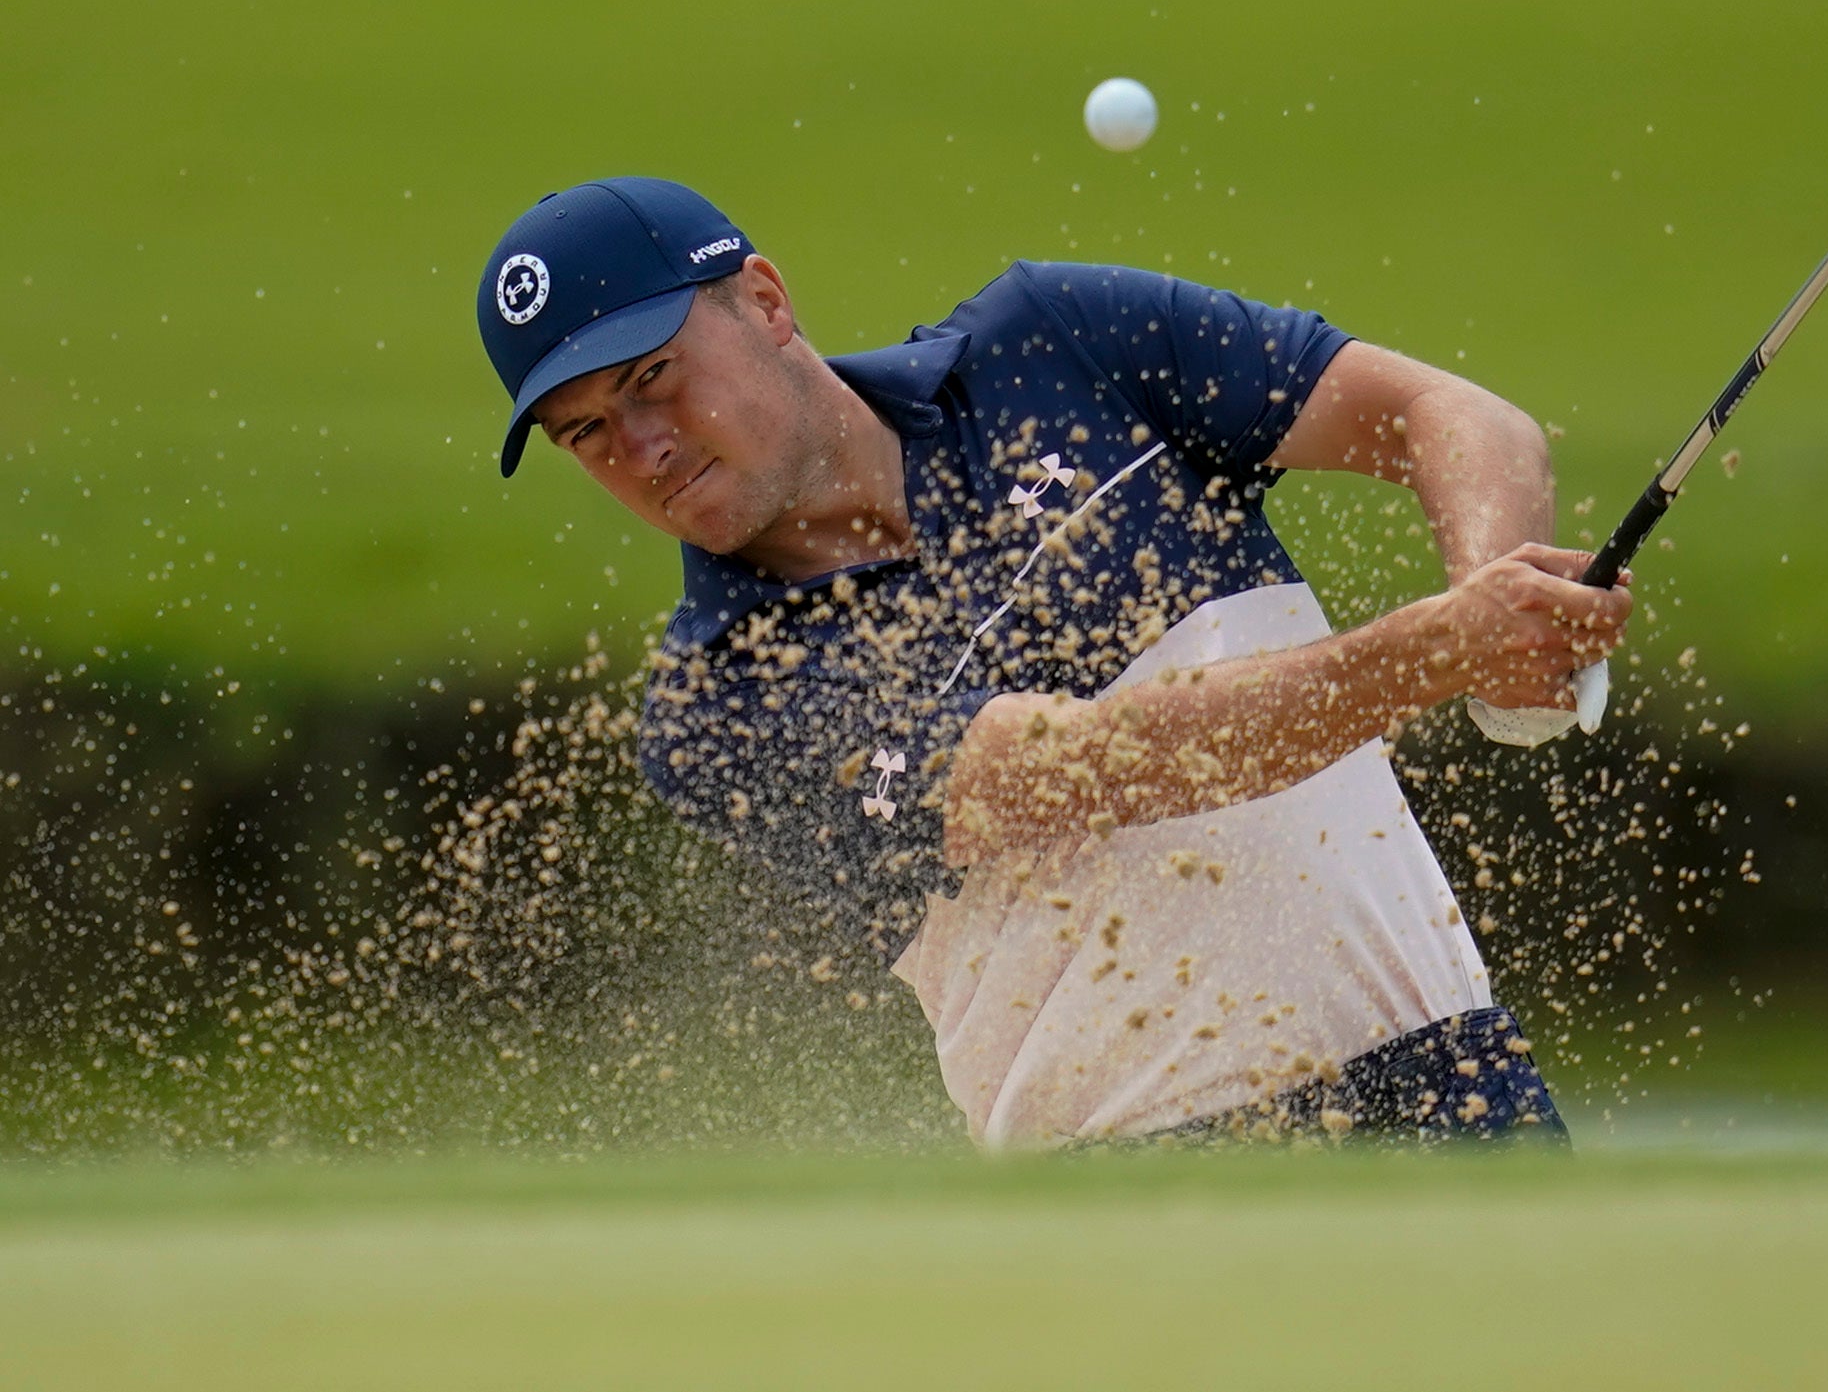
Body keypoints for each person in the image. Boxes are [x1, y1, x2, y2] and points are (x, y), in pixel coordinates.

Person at [476, 176, 1630, 1147]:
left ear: (765, 303)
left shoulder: (1051, 342)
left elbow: (1445, 413)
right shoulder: (719, 703)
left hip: (1462, 1092)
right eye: (586, 432)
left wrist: (1498, 610)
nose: (641, 447)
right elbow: (1091, 770)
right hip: (1145, 1189)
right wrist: (1435, 647)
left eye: (650, 379)